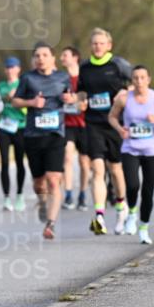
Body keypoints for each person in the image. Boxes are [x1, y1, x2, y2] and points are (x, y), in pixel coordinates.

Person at [12, 42, 77, 241]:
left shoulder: (62, 77)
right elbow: (15, 101)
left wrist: (70, 99)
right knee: (39, 184)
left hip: (56, 134)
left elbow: (73, 97)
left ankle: (51, 224)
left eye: (45, 55)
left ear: (52, 58)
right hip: (33, 136)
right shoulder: (27, 78)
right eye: (37, 55)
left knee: (54, 181)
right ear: (34, 59)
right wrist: (31, 102)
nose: (41, 58)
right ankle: (42, 202)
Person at [108, 65, 154, 244]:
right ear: (132, 80)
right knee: (132, 185)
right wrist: (120, 130)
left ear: (148, 79)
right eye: (135, 78)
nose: (139, 81)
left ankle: (144, 228)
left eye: (142, 78)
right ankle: (131, 213)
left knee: (148, 192)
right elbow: (112, 117)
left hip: (152, 152)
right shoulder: (124, 99)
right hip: (130, 148)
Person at [77, 28, 132, 235]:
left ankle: (121, 207)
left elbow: (137, 83)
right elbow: (80, 93)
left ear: (109, 45)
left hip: (116, 124)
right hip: (93, 124)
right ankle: (99, 215)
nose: (97, 46)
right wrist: (81, 103)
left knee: (116, 169)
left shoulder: (118, 65)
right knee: (97, 170)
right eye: (94, 43)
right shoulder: (85, 67)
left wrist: (126, 94)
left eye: (101, 43)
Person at [0, 57, 28, 212]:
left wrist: (17, 99)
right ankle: (7, 198)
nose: (10, 70)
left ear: (18, 69)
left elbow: (28, 107)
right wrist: (3, 98)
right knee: (4, 163)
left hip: (20, 127)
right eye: (7, 68)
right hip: (4, 128)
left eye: (13, 67)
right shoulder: (0, 86)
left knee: (20, 162)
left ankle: (20, 195)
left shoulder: (23, 85)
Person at [60, 46, 90, 209]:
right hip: (68, 123)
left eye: (65, 55)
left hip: (84, 124)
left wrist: (82, 102)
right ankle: (69, 194)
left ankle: (83, 194)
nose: (61, 58)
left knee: (84, 162)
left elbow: (91, 96)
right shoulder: (60, 78)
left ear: (75, 57)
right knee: (67, 157)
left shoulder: (85, 76)